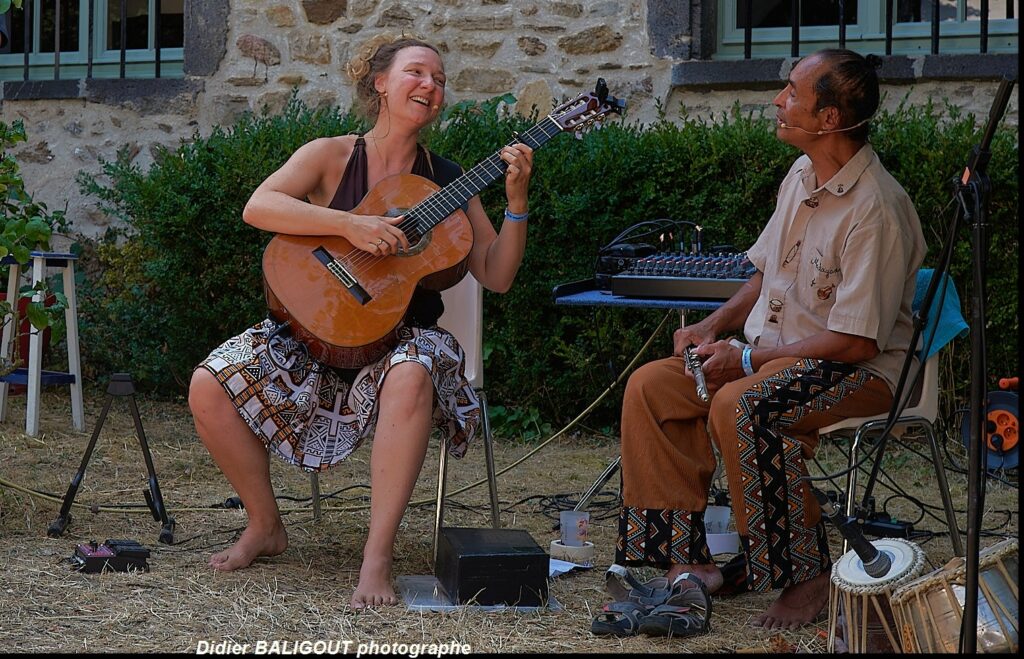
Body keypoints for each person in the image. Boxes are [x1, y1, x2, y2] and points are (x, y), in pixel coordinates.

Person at [188, 34, 534, 608]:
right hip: (314, 338)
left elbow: (496, 274)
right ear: (379, 83)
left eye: (441, 80)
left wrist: (516, 201)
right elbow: (259, 206)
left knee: (412, 370)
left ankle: (377, 558)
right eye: (418, 73)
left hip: (403, 340)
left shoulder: (450, 181)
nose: (432, 86)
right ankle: (265, 525)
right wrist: (350, 226)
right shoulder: (331, 155)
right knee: (209, 383)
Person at [613, 49, 925, 631]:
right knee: (652, 387)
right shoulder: (803, 173)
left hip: (864, 373)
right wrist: (714, 326)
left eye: (791, 92)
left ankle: (806, 578)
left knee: (741, 404)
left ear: (829, 118)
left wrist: (749, 358)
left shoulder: (877, 209)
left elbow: (857, 343)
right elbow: (765, 274)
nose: (778, 101)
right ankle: (689, 564)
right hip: (775, 357)